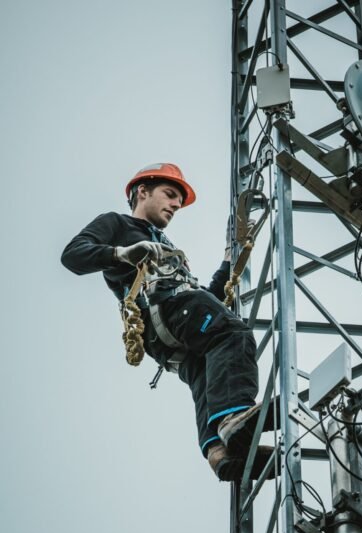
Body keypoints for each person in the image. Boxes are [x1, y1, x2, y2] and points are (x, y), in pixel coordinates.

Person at [61, 163, 273, 481]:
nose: (175, 205)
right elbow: (73, 255)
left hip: (167, 332)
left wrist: (230, 259)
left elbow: (208, 299)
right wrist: (122, 253)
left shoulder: (167, 247)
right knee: (232, 335)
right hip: (167, 311)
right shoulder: (117, 224)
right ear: (142, 192)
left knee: (205, 371)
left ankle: (220, 451)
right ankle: (234, 418)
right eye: (170, 195)